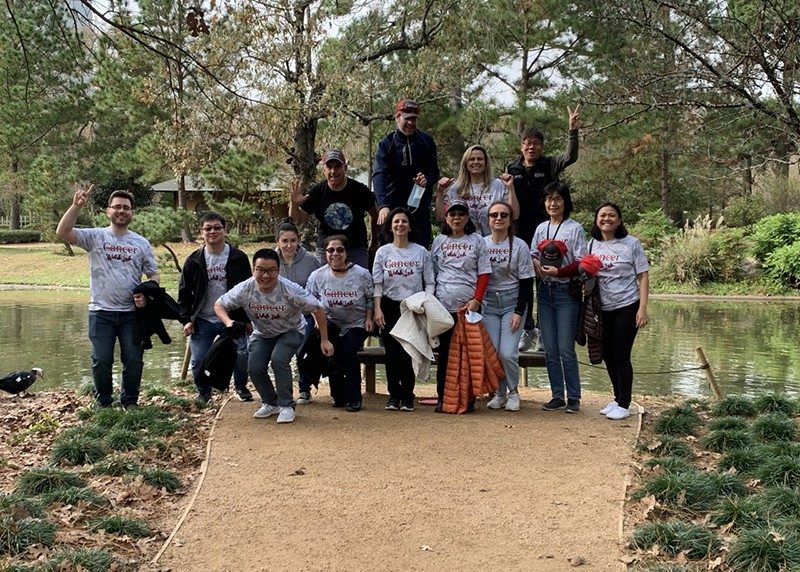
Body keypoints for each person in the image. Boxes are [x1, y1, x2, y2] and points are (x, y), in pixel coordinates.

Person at [56, 185, 159, 408]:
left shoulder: (141, 243)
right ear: (108, 211)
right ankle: (103, 401)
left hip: (132, 314)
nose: (121, 211)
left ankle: (129, 401)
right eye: (117, 207)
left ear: (132, 213)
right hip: (100, 312)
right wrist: (76, 207)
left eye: (126, 207)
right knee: (101, 360)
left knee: (133, 359)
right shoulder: (95, 236)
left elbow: (153, 275)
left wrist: (147, 294)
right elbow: (63, 233)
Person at [215, 249, 333, 424]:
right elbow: (219, 304)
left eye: (271, 270)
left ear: (278, 271)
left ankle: (286, 405)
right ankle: (270, 402)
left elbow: (318, 308)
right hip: (263, 333)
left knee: (279, 359)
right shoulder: (245, 288)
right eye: (260, 270)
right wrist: (228, 323)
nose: (265, 275)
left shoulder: (291, 290)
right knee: (254, 366)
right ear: (253, 270)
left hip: (291, 330)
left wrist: (324, 339)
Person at [507, 106, 581, 352]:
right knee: (523, 283)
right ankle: (527, 329)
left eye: (536, 143)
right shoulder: (512, 169)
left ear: (541, 146)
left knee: (544, 282)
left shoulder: (549, 165)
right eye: (527, 143)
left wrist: (572, 129)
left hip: (546, 235)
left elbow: (571, 157)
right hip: (519, 233)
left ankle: (541, 332)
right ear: (521, 146)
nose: (532, 147)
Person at [178, 212, 252, 403]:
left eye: (217, 227)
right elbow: (184, 293)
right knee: (198, 360)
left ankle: (241, 387)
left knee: (241, 356)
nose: (213, 231)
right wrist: (186, 320)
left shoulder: (239, 258)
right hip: (203, 319)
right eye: (208, 228)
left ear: (225, 230)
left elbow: (249, 291)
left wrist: (247, 321)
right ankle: (204, 392)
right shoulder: (193, 260)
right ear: (201, 232)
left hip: (232, 318)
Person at [590, 202, 650, 420]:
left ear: (619, 220)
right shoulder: (592, 244)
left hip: (627, 305)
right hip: (602, 308)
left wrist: (642, 308)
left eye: (612, 215)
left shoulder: (631, 244)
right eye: (603, 215)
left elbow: (643, 276)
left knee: (621, 355)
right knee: (607, 354)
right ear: (597, 219)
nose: (607, 219)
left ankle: (625, 404)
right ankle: (617, 398)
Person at [431, 199, 492, 412]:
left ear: (467, 217)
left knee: (469, 355)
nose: (456, 218)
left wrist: (476, 300)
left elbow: (484, 272)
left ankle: (467, 399)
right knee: (446, 355)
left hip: (469, 307)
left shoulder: (477, 241)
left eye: (461, 214)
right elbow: (433, 272)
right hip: (443, 307)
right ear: (446, 218)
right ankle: (444, 399)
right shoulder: (439, 240)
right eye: (452, 214)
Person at [372, 207, 435, 412]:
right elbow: (377, 284)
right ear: (390, 226)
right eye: (396, 221)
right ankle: (394, 395)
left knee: (409, 350)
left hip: (413, 306)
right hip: (389, 306)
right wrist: (377, 309)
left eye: (404, 221)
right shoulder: (383, 252)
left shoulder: (420, 251)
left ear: (410, 226)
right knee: (391, 353)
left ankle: (407, 395)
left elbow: (430, 282)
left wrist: (427, 303)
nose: (400, 225)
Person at [532, 182, 587, 414]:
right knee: (550, 349)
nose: (552, 204)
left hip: (566, 291)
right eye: (548, 199)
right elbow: (534, 253)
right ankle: (557, 395)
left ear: (565, 202)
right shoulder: (541, 228)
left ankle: (573, 396)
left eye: (557, 199)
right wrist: (536, 264)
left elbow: (582, 262)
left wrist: (560, 272)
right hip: (545, 292)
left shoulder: (574, 229)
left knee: (565, 347)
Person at [307, 236, 374, 412]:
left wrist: (368, 318)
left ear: (346, 253)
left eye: (339, 250)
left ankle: (354, 398)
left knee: (349, 353)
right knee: (331, 353)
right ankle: (338, 395)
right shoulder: (317, 276)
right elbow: (311, 302)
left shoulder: (361, 274)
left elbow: (369, 297)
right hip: (329, 322)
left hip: (356, 323)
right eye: (330, 250)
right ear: (325, 253)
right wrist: (316, 322)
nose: (335, 254)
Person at [483, 201, 534, 412]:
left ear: (510, 219)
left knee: (508, 353)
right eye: (494, 215)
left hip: (512, 302)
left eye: (504, 215)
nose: (499, 218)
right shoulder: (482, 243)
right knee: (493, 352)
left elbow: (526, 282)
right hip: (488, 304)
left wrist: (519, 312)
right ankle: (499, 392)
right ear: (488, 219)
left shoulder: (520, 245)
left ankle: (514, 391)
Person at [289, 149, 379, 269]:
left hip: (355, 247)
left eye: (337, 167)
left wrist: (374, 239)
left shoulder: (360, 190)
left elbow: (375, 214)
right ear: (324, 170)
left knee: (360, 281)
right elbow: (297, 221)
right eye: (329, 167)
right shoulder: (317, 192)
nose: (333, 171)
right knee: (320, 280)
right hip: (326, 248)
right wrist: (294, 204)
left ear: (345, 168)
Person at [373, 99, 440, 248]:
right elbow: (379, 176)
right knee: (390, 251)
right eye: (407, 118)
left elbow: (434, 172)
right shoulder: (386, 144)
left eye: (414, 119)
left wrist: (426, 180)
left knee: (420, 250)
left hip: (419, 208)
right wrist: (383, 205)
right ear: (397, 117)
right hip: (392, 207)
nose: (411, 123)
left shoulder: (426, 142)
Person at [275, 218, 321, 405]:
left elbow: (319, 289)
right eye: (285, 241)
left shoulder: (310, 260)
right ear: (277, 241)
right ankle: (282, 391)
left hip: (305, 315)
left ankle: (304, 388)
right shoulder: (270, 258)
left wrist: (318, 316)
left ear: (298, 240)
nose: (289, 245)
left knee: (302, 350)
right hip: (278, 315)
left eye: (293, 240)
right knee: (278, 355)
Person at [435, 145, 519, 236]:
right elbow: (441, 217)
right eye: (471, 159)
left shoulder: (498, 185)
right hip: (467, 242)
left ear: (486, 163)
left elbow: (514, 215)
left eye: (479, 159)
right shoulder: (456, 188)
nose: (476, 162)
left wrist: (511, 188)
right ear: (465, 163)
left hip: (494, 241)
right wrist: (440, 192)